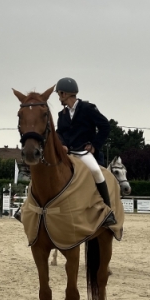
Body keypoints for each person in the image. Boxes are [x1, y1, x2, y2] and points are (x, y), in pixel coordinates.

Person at [55, 77, 114, 214]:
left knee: (96, 172)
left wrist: (94, 145)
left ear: (64, 94)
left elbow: (105, 126)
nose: (59, 98)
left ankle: (107, 210)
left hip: (83, 152)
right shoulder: (62, 114)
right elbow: (60, 133)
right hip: (68, 153)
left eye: (59, 94)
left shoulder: (88, 108)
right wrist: (62, 144)